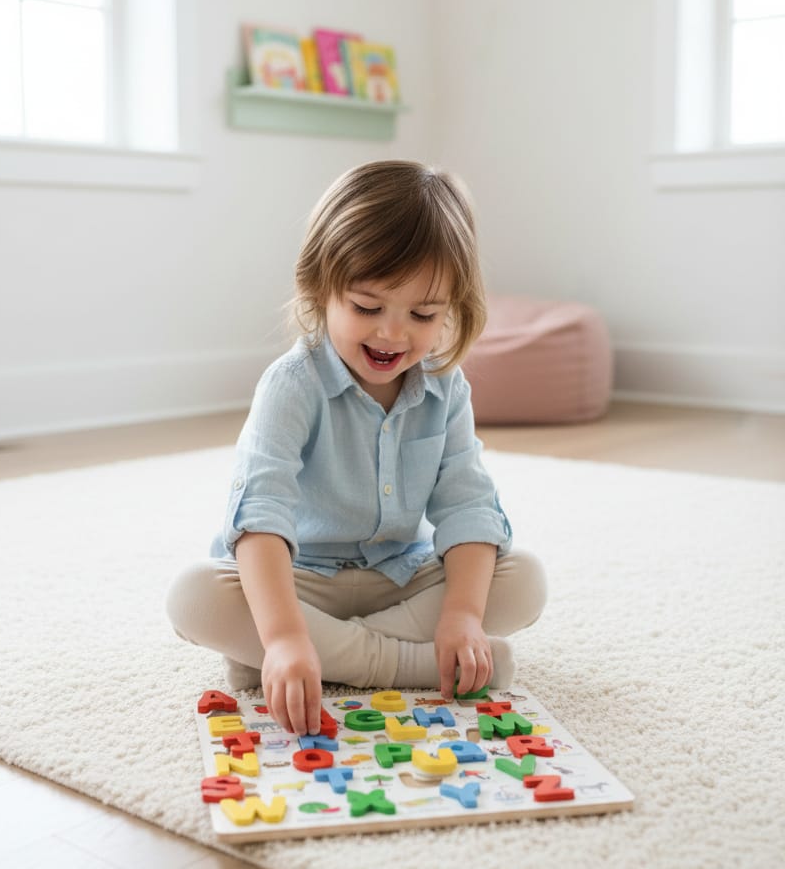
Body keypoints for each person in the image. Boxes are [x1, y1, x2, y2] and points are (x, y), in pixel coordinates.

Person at [166, 160, 546, 735]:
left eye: (423, 314)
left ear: (452, 307)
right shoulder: (292, 384)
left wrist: (463, 616)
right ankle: (398, 663)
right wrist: (285, 635)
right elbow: (260, 513)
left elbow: (468, 506)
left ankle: (303, 657)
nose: (392, 334)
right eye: (367, 308)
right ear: (320, 289)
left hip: (401, 576)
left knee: (524, 580)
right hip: (300, 579)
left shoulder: (446, 386)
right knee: (194, 597)